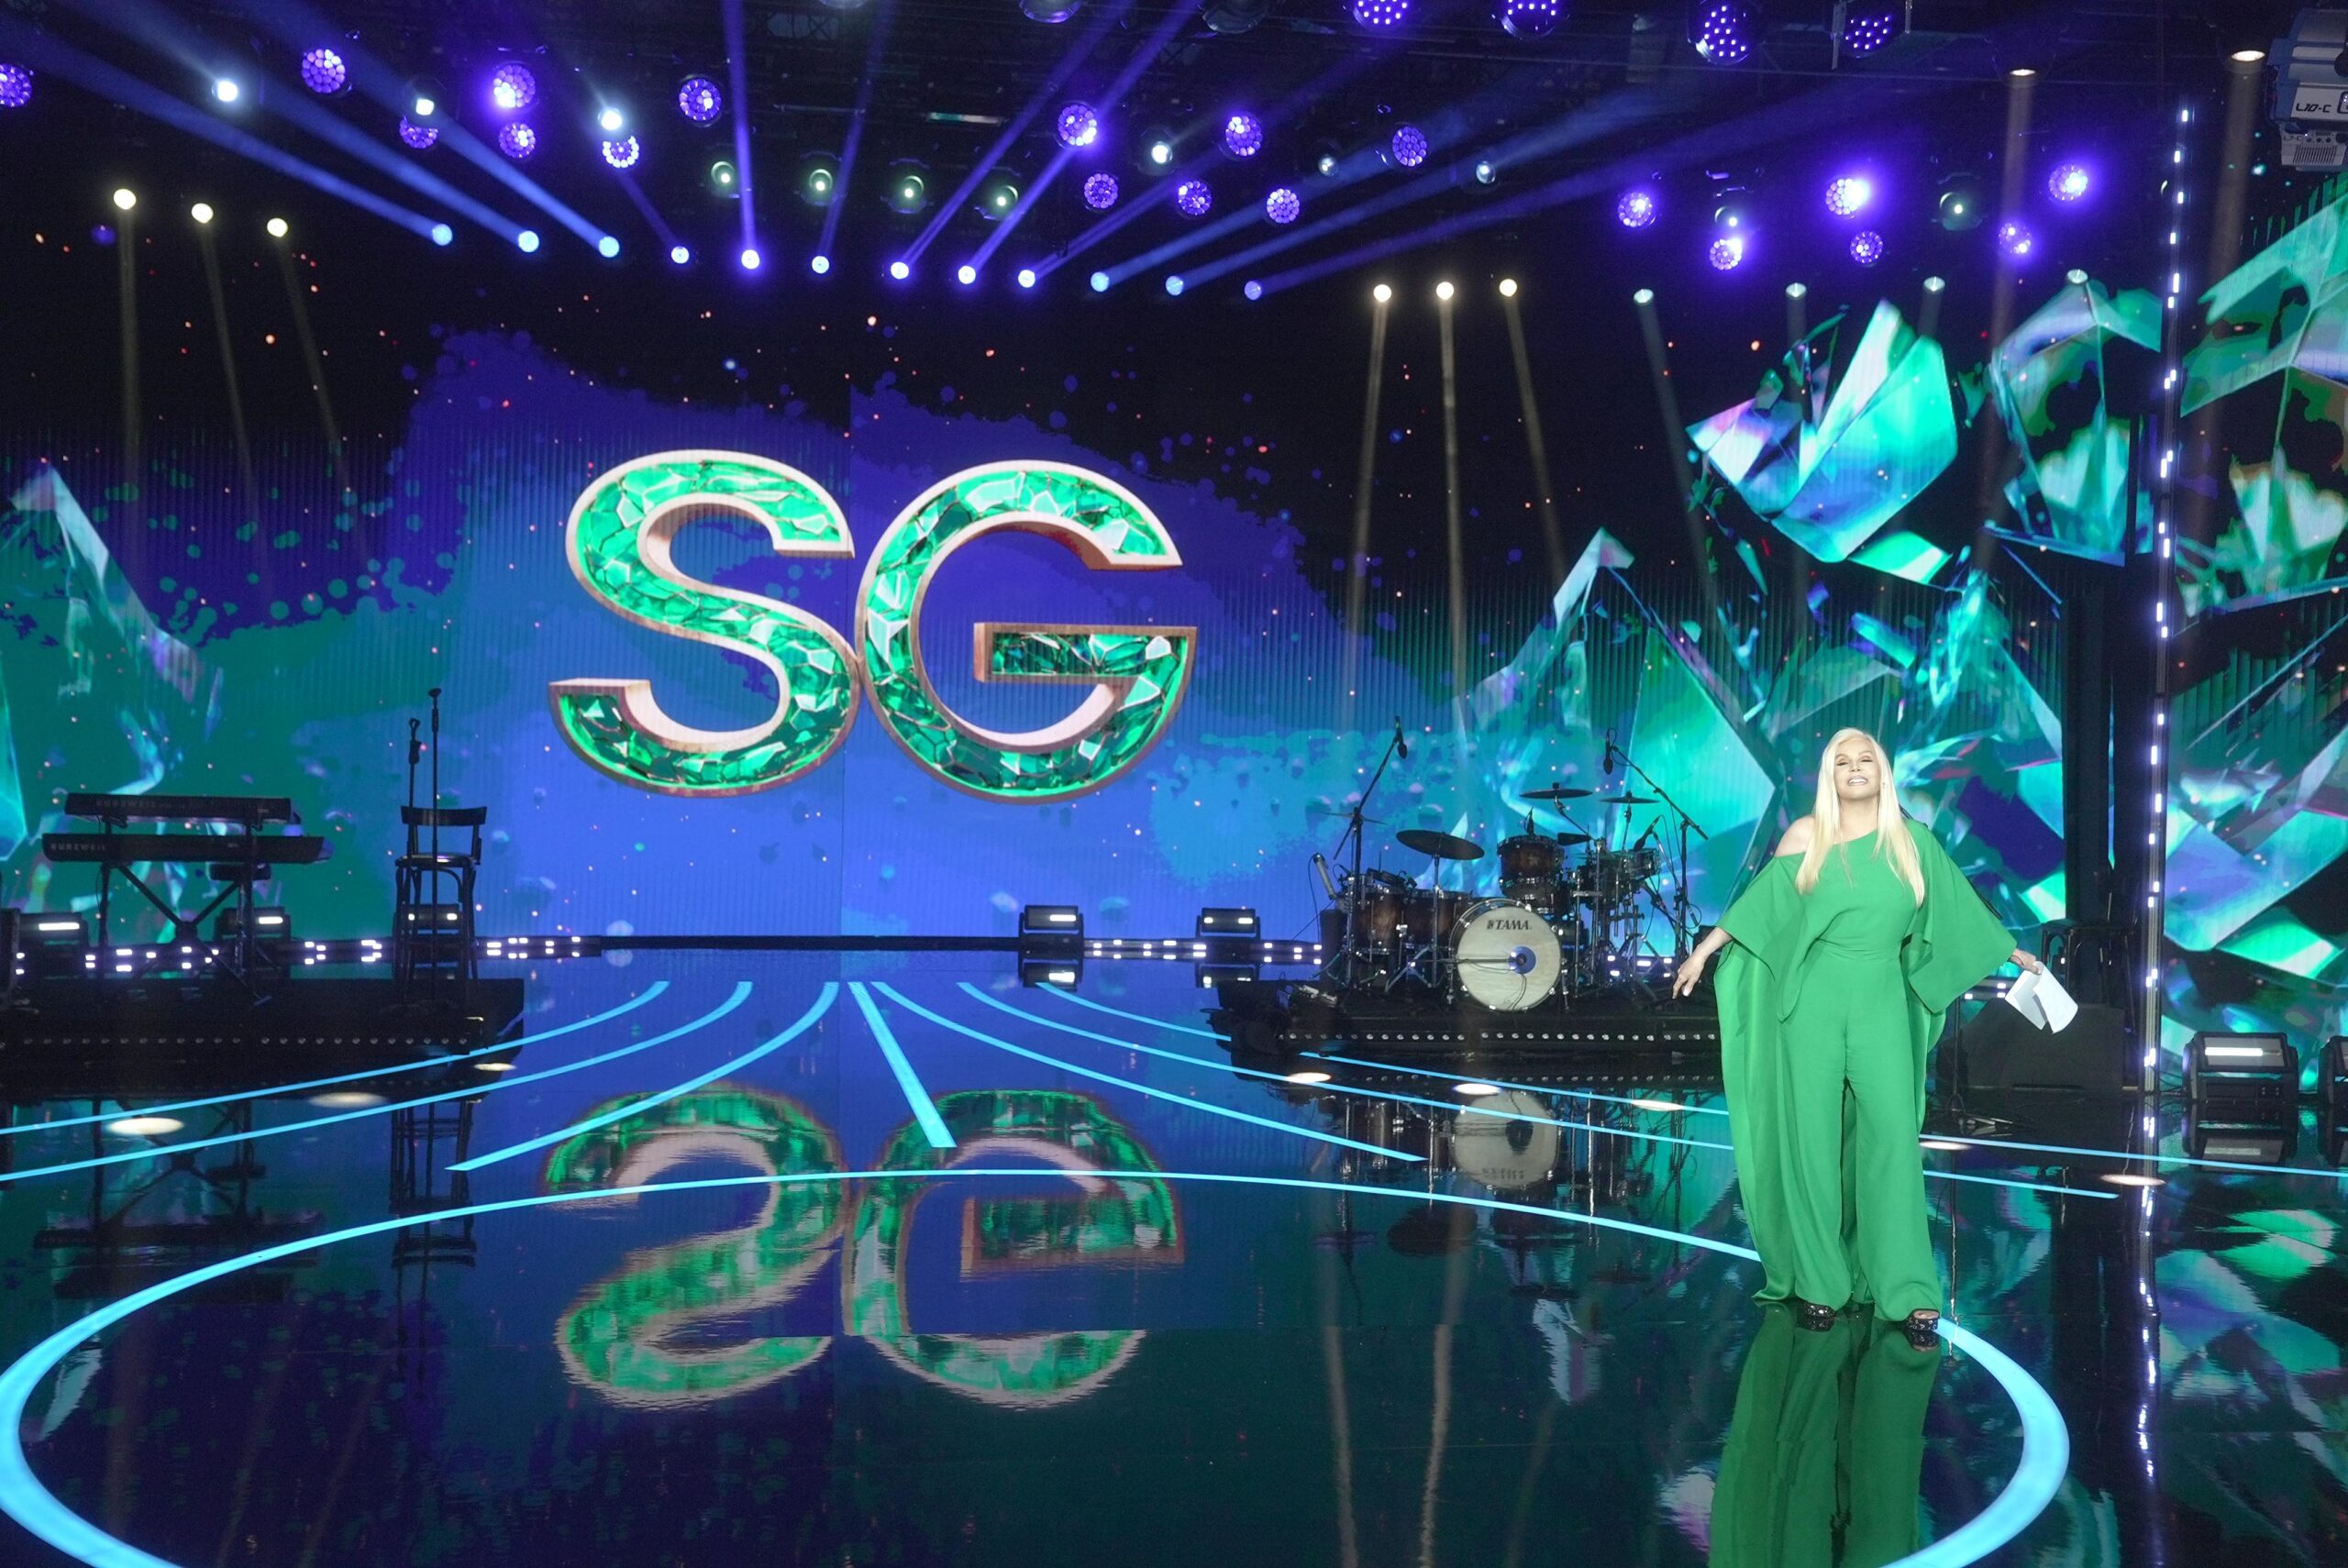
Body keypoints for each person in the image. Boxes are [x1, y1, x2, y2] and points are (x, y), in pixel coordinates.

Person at [1670, 727, 2043, 1349]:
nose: (1854, 767)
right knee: (1812, 1144)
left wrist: (2012, 954)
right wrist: (1704, 951)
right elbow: (1759, 909)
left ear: (1882, 770)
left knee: (1893, 1141)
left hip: (1881, 1004)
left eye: (1864, 758)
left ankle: (1907, 1288)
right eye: (1841, 761)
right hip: (1810, 1006)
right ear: (1829, 776)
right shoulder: (1805, 837)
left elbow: (1959, 910)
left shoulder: (1913, 843)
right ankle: (1821, 1281)